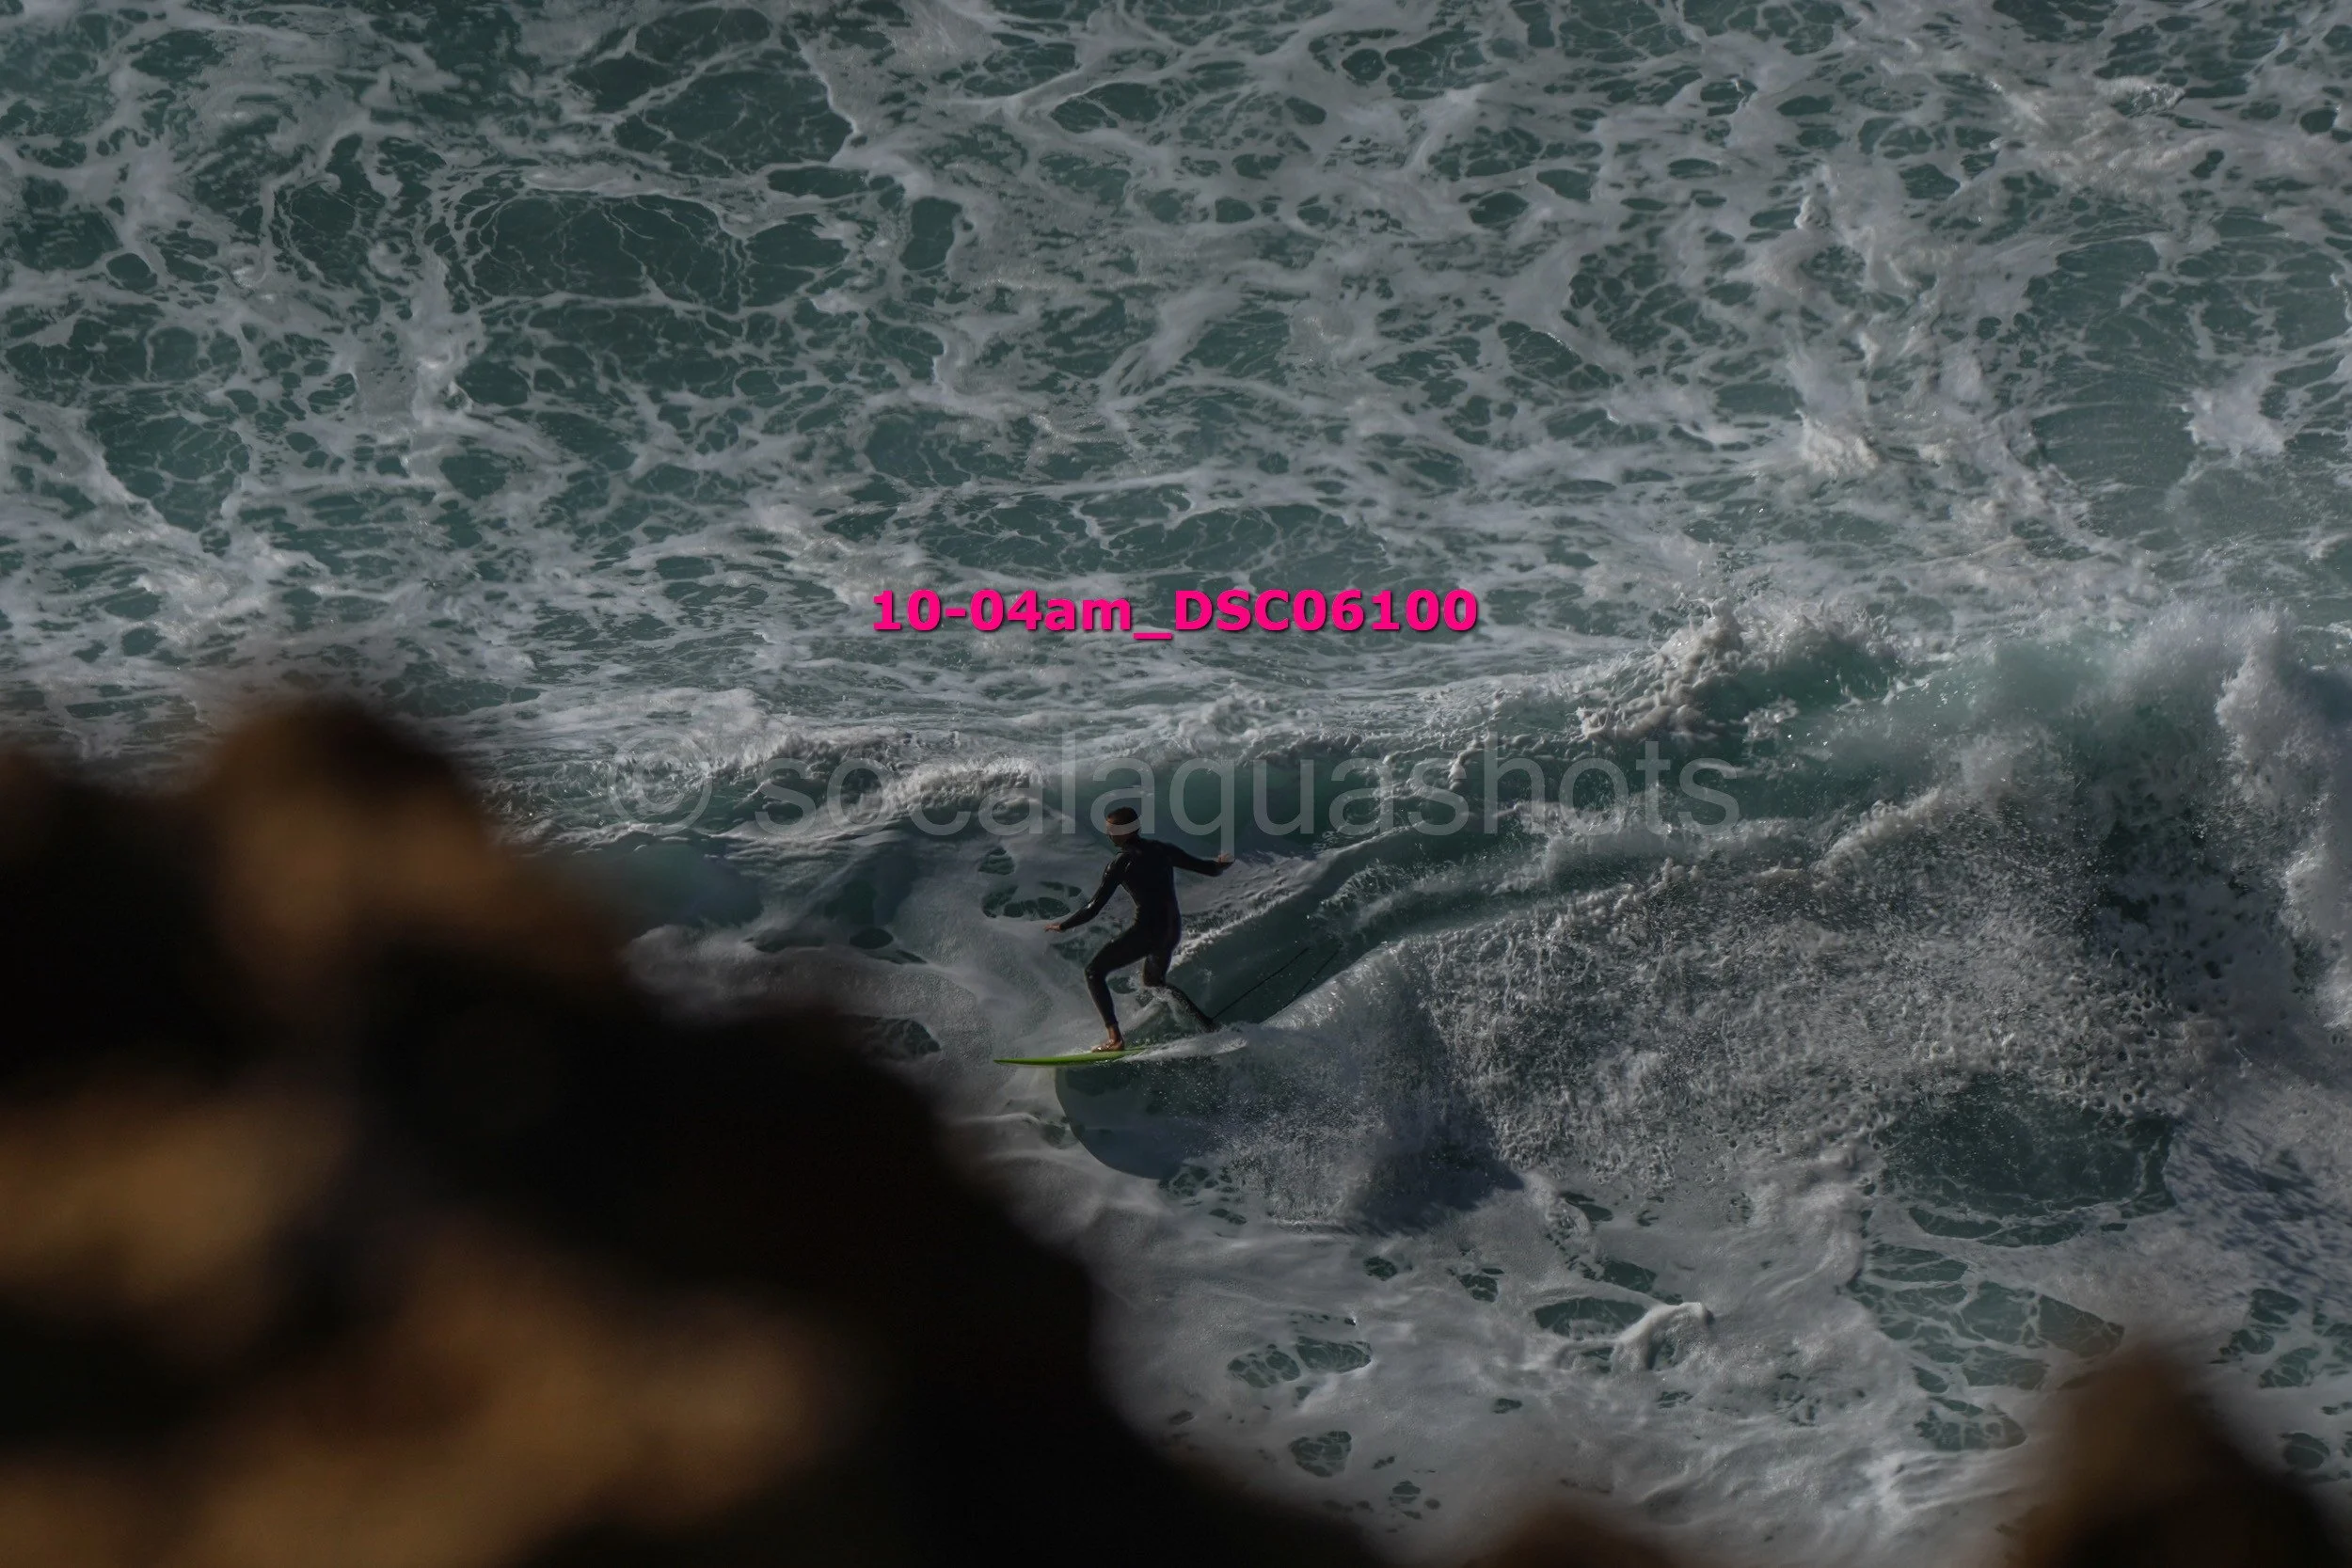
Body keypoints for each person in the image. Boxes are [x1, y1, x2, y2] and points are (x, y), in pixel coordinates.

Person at [1045, 806, 1232, 1052]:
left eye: (1111, 829)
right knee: (1155, 982)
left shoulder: (1121, 863)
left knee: (1094, 972)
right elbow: (1209, 869)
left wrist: (1064, 925)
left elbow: (1093, 907)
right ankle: (1208, 1025)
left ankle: (1115, 1039)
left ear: (1122, 833)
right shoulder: (1162, 850)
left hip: (1147, 932)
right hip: (1171, 929)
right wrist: (1222, 864)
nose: (1108, 834)